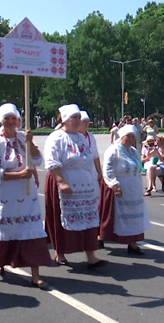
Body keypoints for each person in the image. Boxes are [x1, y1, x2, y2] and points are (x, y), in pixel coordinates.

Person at [0, 103, 52, 288]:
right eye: (6, 118)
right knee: (8, 230)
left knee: (32, 231)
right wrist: (18, 175)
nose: (10, 122)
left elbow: (38, 159)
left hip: (27, 194)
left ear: (18, 120)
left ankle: (36, 274)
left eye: (13, 118)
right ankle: (1, 261)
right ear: (1, 120)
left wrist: (30, 142)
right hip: (7, 193)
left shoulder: (24, 137)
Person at [44, 104, 106, 268]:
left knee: (89, 221)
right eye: (75, 117)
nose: (78, 120)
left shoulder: (80, 138)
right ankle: (60, 253)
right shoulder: (56, 137)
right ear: (65, 120)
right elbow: (51, 161)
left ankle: (91, 255)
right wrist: (62, 181)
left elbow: (90, 158)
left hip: (85, 186)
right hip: (64, 183)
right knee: (60, 219)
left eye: (79, 117)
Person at [99, 125, 151, 255]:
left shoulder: (133, 151)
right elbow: (107, 169)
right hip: (118, 186)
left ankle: (133, 243)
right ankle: (101, 237)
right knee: (114, 215)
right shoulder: (113, 150)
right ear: (122, 136)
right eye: (129, 136)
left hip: (133, 189)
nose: (131, 139)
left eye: (133, 137)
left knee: (134, 217)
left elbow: (138, 168)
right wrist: (114, 185)